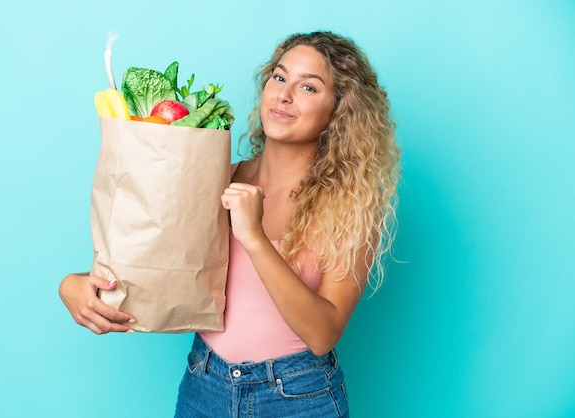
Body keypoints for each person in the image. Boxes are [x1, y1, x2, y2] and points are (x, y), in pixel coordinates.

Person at [59, 30, 401, 417]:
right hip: (204, 384)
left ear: (339, 110)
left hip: (297, 396)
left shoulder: (349, 208)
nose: (284, 95)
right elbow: (149, 264)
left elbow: (323, 334)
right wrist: (74, 285)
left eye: (308, 87)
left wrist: (253, 237)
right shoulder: (215, 179)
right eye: (279, 77)